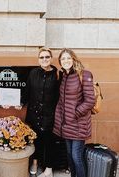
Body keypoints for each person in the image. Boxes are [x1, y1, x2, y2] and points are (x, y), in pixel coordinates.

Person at [53, 48, 95, 177]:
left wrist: (75, 113)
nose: (66, 61)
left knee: (77, 156)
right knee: (70, 156)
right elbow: (62, 100)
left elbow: (90, 101)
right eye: (63, 58)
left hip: (79, 123)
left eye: (68, 58)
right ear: (60, 61)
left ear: (74, 59)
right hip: (66, 124)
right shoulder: (64, 76)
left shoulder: (85, 74)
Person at [18, 47, 60, 177]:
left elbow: (60, 96)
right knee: (35, 140)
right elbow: (27, 91)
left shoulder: (58, 75)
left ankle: (49, 169)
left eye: (47, 57)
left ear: (51, 58)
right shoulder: (33, 73)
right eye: (42, 57)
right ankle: (35, 163)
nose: (44, 59)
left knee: (49, 142)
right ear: (38, 59)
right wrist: (20, 103)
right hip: (34, 113)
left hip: (50, 114)